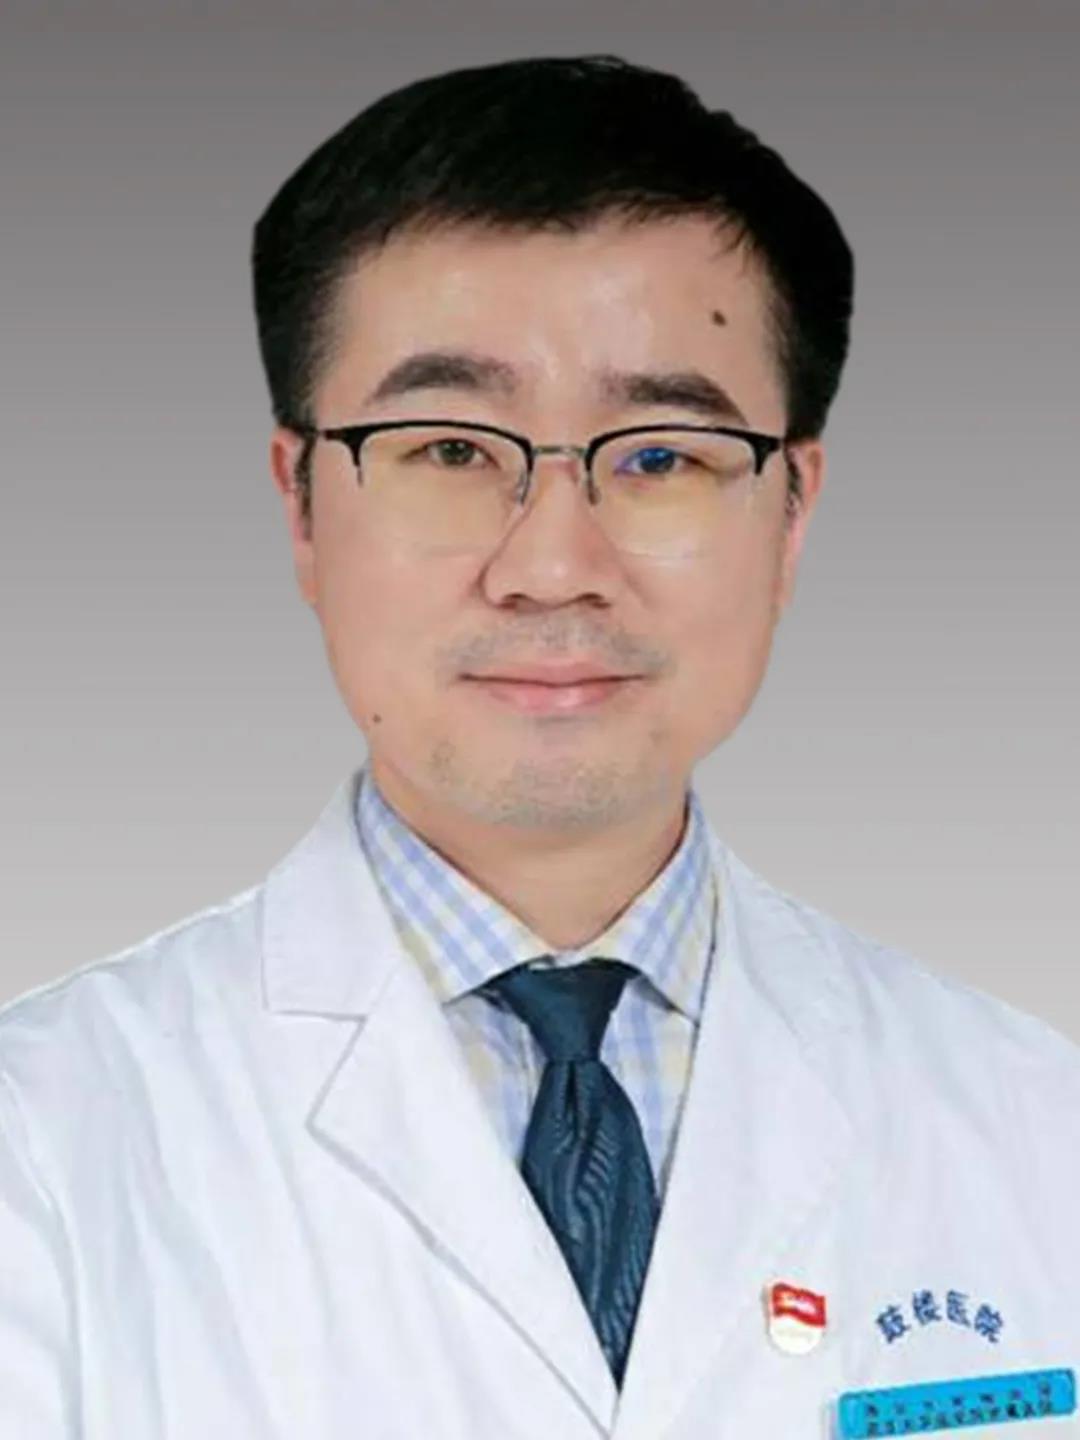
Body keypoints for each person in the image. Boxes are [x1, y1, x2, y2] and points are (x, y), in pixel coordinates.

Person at [1, 53, 1077, 1440]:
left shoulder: (1035, 1123)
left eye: (661, 456)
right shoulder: (42, 1144)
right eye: (451, 451)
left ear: (793, 511)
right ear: (301, 505)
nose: (554, 567)